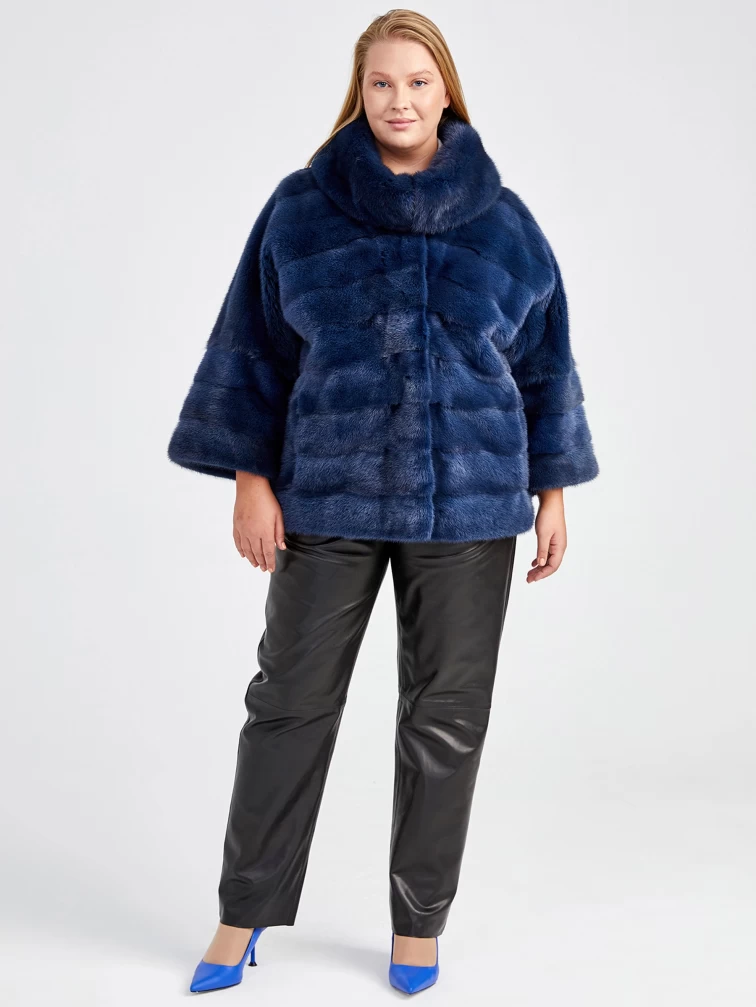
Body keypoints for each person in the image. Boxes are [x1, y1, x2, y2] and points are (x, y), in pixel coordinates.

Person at [167, 9, 599, 997]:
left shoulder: (505, 220)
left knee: (446, 717)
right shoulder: (301, 209)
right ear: (358, 94)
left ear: (446, 92)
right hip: (327, 496)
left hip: (472, 505)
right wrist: (249, 479)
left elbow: (546, 365)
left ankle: (418, 924)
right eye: (381, 83)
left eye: (416, 82)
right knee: (288, 702)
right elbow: (251, 348)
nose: (399, 100)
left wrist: (553, 490)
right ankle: (243, 911)